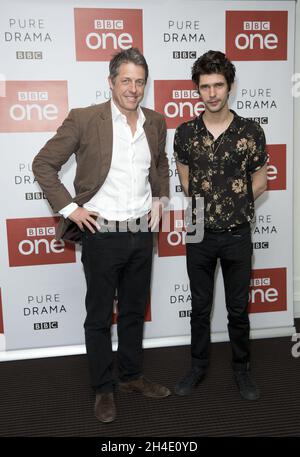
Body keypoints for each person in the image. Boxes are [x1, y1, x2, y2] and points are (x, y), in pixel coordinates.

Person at [32, 47, 170, 423]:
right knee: (98, 316)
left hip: (141, 232)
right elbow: (43, 164)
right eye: (125, 80)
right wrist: (70, 208)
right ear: (110, 82)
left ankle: (131, 377)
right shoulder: (84, 119)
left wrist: (161, 197)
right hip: (102, 234)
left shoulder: (155, 122)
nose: (133, 88)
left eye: (139, 81)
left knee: (132, 311)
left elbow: (159, 163)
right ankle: (103, 388)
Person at [174, 50, 268, 400]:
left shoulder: (250, 131)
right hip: (198, 230)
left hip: (237, 233)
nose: (211, 93)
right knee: (200, 307)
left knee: (237, 308)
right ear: (196, 90)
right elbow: (185, 182)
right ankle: (198, 367)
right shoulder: (184, 133)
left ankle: (241, 370)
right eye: (204, 87)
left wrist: (234, 206)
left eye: (218, 85)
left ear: (229, 87)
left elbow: (260, 181)